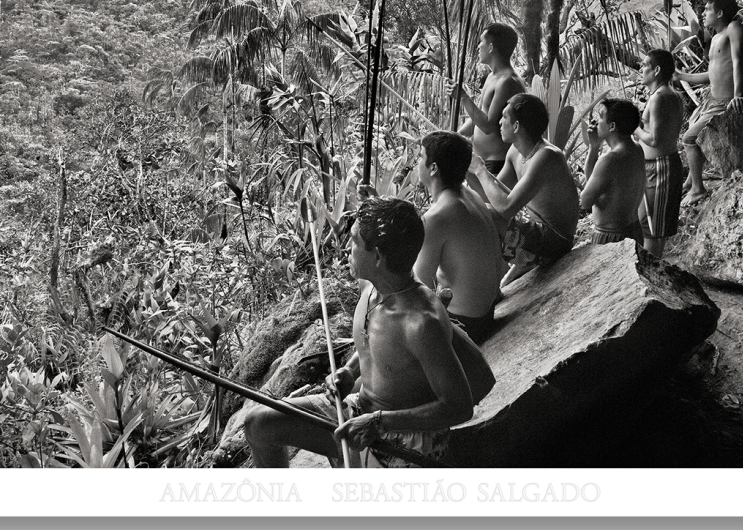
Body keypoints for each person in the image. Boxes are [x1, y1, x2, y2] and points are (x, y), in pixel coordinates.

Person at [244, 197, 487, 468]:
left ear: (378, 256)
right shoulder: (369, 285)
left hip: (404, 439)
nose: (347, 247)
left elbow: (458, 406)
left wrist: (378, 421)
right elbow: (375, 343)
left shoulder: (421, 323)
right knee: (258, 424)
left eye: (354, 241)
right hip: (360, 409)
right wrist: (349, 370)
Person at [470, 92, 580, 287]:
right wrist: (466, 169)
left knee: (483, 213)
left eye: (504, 117)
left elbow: (506, 208)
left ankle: (487, 284)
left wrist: (479, 170)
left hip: (555, 243)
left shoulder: (546, 157)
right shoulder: (515, 152)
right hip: (535, 235)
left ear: (517, 126)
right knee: (475, 206)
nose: (499, 123)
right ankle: (516, 267)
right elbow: (492, 194)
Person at [413, 131, 507, 344]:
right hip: (486, 313)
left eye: (420, 157)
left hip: (466, 325)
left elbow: (420, 289)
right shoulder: (471, 196)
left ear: (434, 168)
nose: (417, 162)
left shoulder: (437, 217)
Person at [674, 0, 743, 203]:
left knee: (689, 138)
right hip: (711, 100)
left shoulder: (734, 28)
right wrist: (681, 76)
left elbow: (738, 61)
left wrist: (738, 94)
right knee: (691, 125)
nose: (703, 13)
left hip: (725, 102)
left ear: (720, 13)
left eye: (707, 9)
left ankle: (698, 189)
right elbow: (712, 75)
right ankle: (691, 180)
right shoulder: (715, 37)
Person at [447, 23, 526, 176]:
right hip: (480, 161)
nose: (478, 47)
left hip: (497, 163)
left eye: (481, 42)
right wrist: (457, 135)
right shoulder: (492, 76)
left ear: (490, 47)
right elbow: (480, 115)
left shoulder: (507, 81)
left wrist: (463, 97)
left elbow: (488, 125)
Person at [633, 49, 685, 258]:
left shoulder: (660, 98)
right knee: (646, 224)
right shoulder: (666, 94)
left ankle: (651, 275)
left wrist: (635, 128)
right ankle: (647, 271)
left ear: (656, 70)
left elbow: (655, 139)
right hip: (655, 167)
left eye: (645, 65)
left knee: (653, 229)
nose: (641, 69)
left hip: (661, 167)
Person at [580, 98, 646, 245]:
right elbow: (595, 182)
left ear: (612, 126)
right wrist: (594, 148)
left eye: (600, 117)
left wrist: (594, 149)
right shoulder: (636, 148)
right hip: (634, 232)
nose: (596, 122)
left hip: (611, 237)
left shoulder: (610, 159)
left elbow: (585, 201)